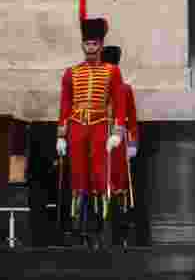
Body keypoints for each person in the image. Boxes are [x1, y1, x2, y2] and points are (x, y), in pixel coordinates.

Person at [56, 17, 127, 249]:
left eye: (94, 44)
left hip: (99, 125)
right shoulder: (71, 73)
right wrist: (61, 134)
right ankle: (80, 226)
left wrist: (116, 131)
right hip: (77, 126)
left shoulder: (112, 72)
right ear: (82, 45)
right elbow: (65, 104)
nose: (90, 48)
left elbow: (119, 103)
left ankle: (101, 225)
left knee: (100, 176)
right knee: (78, 176)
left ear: (101, 45)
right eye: (87, 44)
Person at [101, 45, 139, 248]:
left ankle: (119, 231)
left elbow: (131, 119)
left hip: (118, 144)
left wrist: (132, 143)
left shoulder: (125, 89)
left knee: (119, 187)